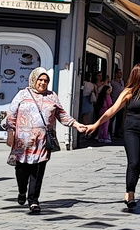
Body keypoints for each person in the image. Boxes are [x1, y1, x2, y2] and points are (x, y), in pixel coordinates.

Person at [6, 67, 85, 214]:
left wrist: (76, 124)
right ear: (34, 80)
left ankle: (34, 201)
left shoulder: (52, 96)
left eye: (46, 80)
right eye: (40, 80)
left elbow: (62, 115)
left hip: (42, 142)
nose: (43, 83)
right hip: (22, 142)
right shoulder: (22, 94)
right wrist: (10, 132)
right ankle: (22, 191)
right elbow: (11, 114)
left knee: (38, 171)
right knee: (22, 171)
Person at [85, 64, 140, 210]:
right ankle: (130, 193)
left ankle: (131, 190)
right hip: (132, 129)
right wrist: (95, 125)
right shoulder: (129, 92)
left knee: (139, 163)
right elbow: (112, 110)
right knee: (133, 161)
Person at [110, 68, 125, 138]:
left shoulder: (122, 82)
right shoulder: (112, 82)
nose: (120, 74)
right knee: (112, 118)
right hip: (114, 101)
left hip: (121, 103)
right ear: (116, 74)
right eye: (119, 73)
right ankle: (109, 132)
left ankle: (117, 132)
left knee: (119, 118)